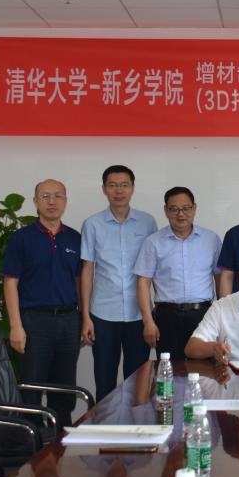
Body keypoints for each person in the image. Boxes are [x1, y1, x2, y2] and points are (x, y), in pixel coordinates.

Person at [2, 179, 82, 427]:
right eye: (45, 196)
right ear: (36, 201)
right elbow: (10, 283)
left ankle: (60, 437)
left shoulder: (74, 238)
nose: (52, 201)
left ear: (65, 201)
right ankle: (32, 438)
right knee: (32, 386)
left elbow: (80, 281)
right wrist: (15, 326)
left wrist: (83, 318)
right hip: (34, 321)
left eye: (58, 196)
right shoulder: (21, 238)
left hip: (69, 320)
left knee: (64, 388)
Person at [79, 165, 158, 402]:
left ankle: (136, 425)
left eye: (124, 185)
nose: (119, 191)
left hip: (138, 314)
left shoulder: (147, 222)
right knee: (104, 382)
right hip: (103, 314)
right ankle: (104, 425)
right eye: (112, 185)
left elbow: (154, 268)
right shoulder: (92, 224)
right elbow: (87, 270)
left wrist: (153, 315)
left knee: (138, 383)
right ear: (104, 189)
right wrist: (86, 317)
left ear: (132, 188)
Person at [134, 186, 221, 360]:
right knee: (169, 369)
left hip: (203, 315)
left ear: (194, 208)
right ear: (166, 210)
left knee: (204, 369)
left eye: (186, 208)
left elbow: (220, 278)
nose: (180, 214)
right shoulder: (153, 242)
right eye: (174, 209)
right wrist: (148, 321)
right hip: (167, 317)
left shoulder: (211, 239)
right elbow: (143, 282)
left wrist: (222, 316)